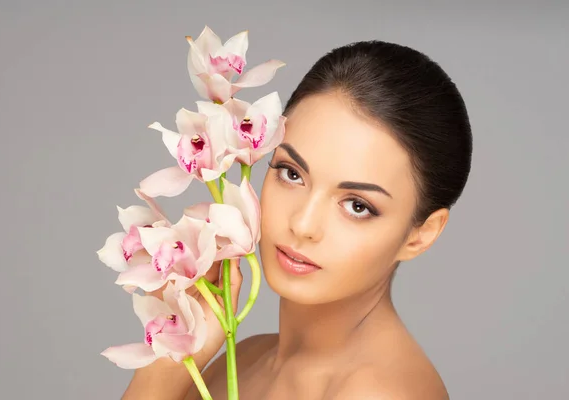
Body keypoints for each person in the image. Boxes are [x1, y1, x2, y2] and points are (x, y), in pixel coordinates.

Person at [121, 39, 472, 400]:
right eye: (291, 174)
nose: (303, 225)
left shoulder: (383, 394)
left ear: (421, 234)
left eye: (357, 206)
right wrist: (173, 358)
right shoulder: (247, 357)